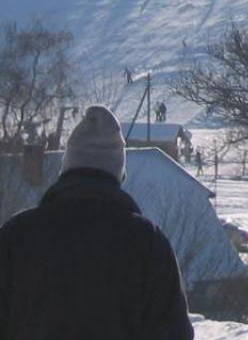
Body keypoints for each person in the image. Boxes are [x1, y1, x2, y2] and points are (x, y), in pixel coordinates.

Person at [0, 105, 192, 338]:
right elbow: (172, 333)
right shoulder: (146, 242)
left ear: (67, 167)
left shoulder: (17, 235)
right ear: (118, 173)